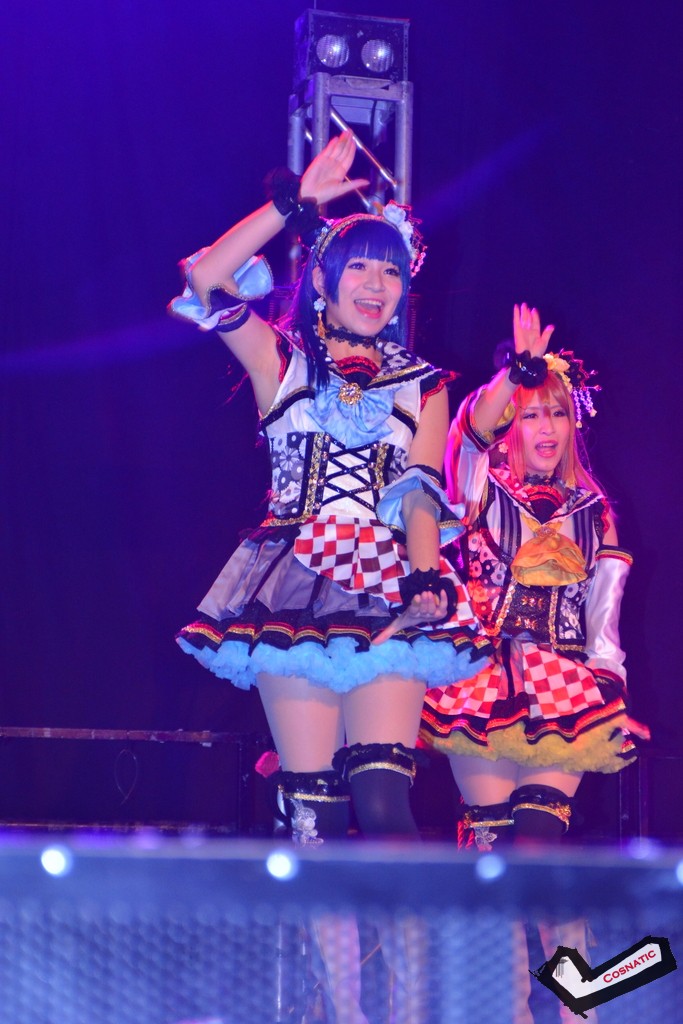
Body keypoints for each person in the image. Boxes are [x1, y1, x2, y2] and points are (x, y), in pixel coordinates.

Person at [169, 131, 489, 1022]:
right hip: (291, 587)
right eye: (359, 268)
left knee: (385, 798)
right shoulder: (283, 363)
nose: (376, 285)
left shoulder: (423, 384)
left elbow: (419, 489)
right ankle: (343, 1013)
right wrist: (295, 204)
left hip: (385, 587)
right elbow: (205, 280)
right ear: (322, 279)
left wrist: (424, 580)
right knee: (314, 812)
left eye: (390, 271)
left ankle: (412, 1007)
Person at [420, 302, 649, 1022]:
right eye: (530, 414)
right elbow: (467, 430)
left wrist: (611, 695)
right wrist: (512, 376)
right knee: (492, 858)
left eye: (556, 413)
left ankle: (579, 1008)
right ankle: (508, 1010)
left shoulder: (596, 511)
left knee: (541, 849)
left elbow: (604, 624)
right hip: (481, 684)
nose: (545, 428)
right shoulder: (478, 485)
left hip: (565, 689)